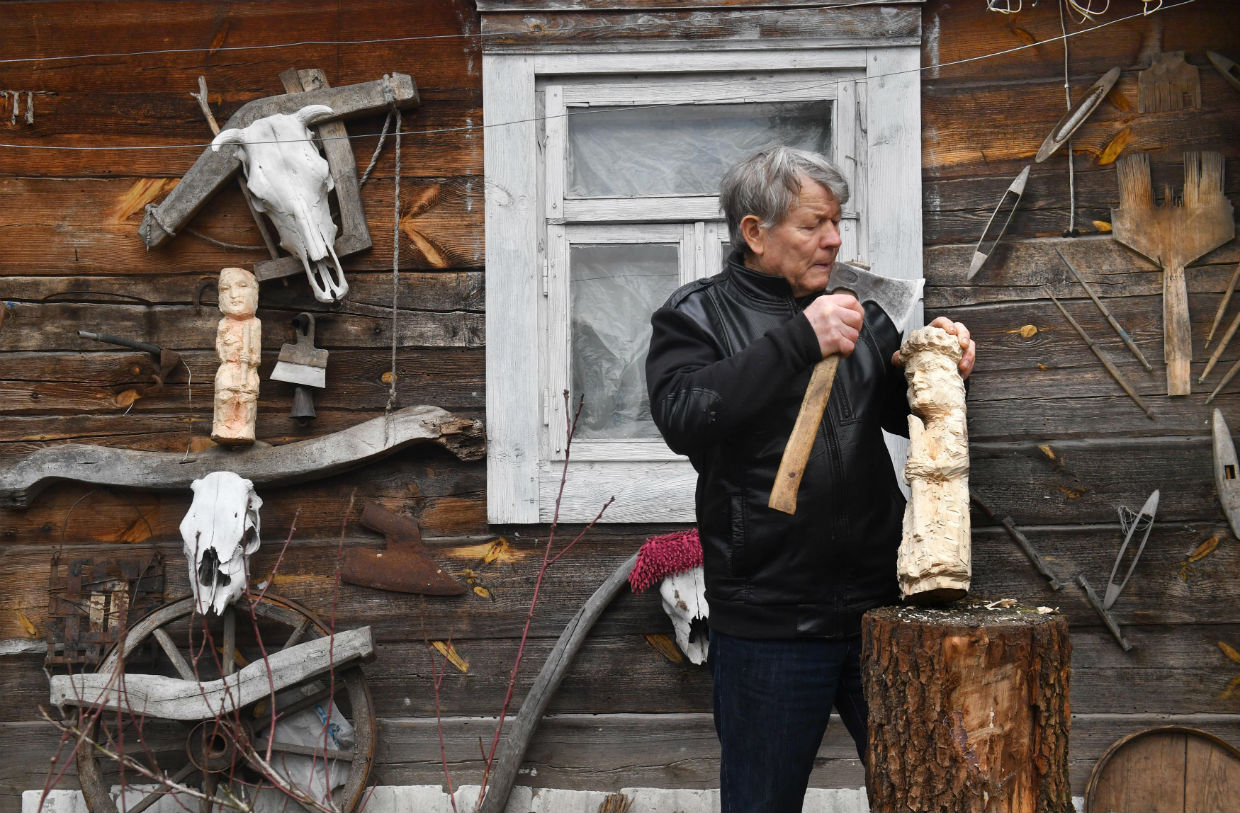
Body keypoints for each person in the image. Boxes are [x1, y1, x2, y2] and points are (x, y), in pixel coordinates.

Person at [645, 146, 975, 812]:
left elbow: (908, 416)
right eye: (813, 223)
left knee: (924, 792)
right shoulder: (696, 316)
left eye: (837, 221)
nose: (834, 238)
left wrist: (941, 363)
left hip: (880, 613)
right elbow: (685, 415)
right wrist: (800, 339)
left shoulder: (859, 307)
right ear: (755, 233)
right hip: (769, 623)